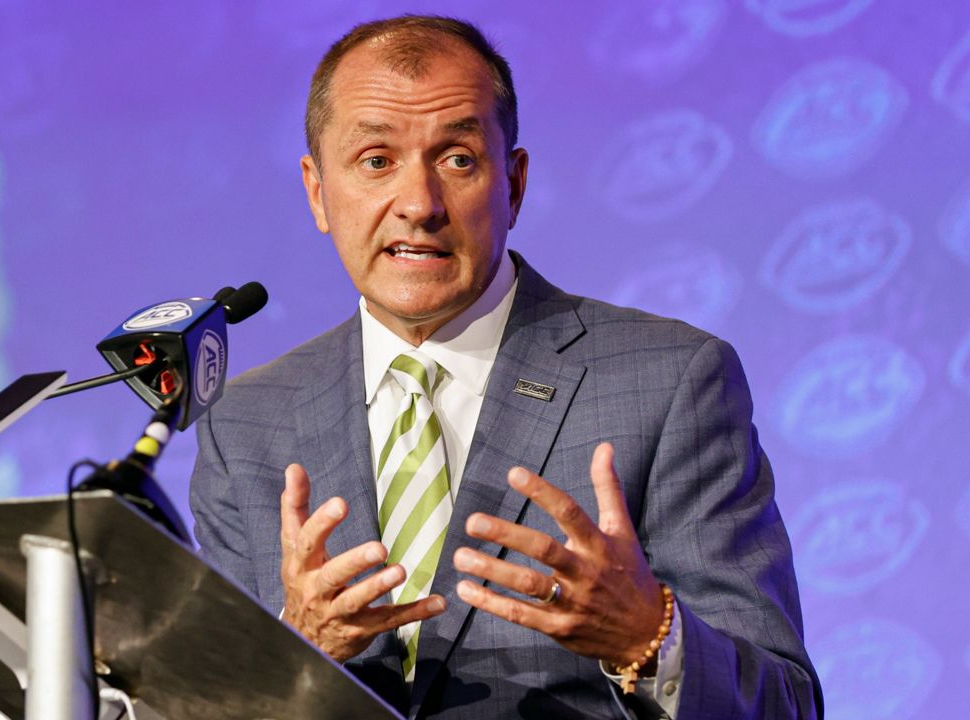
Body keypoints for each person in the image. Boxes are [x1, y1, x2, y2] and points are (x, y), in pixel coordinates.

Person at [190, 15, 822, 719]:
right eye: (376, 161)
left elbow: (784, 704)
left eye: (457, 159)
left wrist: (648, 634)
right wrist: (292, 649)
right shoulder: (246, 425)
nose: (419, 205)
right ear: (316, 192)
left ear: (513, 185)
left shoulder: (672, 382)